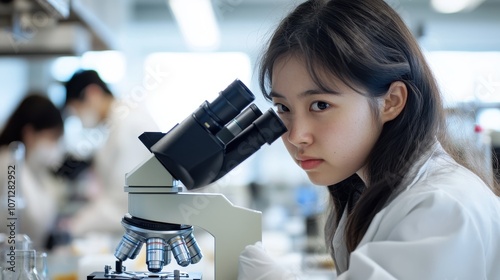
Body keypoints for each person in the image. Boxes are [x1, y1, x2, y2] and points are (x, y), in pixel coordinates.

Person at [238, 0, 500, 279]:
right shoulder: (367, 194)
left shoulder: (440, 207)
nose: (296, 136)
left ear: (391, 101)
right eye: (284, 108)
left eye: (320, 105)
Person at [63, 69, 159, 237]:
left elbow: (122, 200)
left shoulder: (129, 124)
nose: (79, 118)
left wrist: (77, 225)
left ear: (93, 93)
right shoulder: (117, 123)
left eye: (77, 110)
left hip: (146, 224)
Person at [0, 94, 65, 249]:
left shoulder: (30, 167)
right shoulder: (9, 162)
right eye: (52, 137)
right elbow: (34, 220)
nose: (55, 147)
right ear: (29, 133)